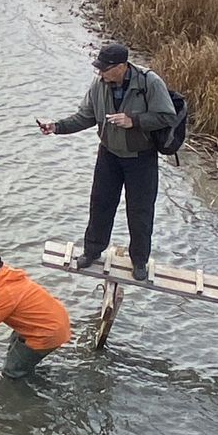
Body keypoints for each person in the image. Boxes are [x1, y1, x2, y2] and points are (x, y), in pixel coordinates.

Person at [38, 42, 177, 281]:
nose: (100, 73)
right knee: (100, 204)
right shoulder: (99, 84)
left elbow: (166, 116)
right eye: (99, 68)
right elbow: (86, 116)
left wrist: (134, 120)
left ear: (121, 67)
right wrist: (57, 127)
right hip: (109, 155)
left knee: (140, 212)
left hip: (141, 158)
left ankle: (140, 260)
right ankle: (92, 251)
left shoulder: (150, 83)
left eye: (104, 69)